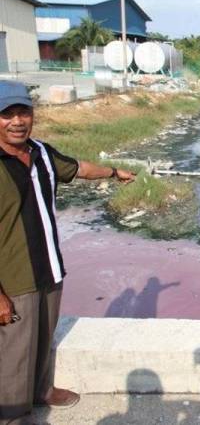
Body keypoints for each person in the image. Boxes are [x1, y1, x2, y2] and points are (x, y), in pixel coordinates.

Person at [0, 80, 135, 425]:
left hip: (49, 267)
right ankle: (13, 414)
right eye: (7, 115)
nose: (17, 121)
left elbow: (78, 168)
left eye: (23, 113)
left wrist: (114, 172)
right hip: (13, 277)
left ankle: (42, 391)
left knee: (44, 337)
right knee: (14, 351)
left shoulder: (42, 153)